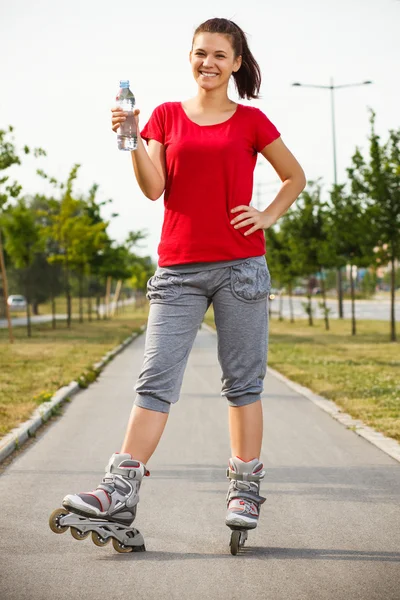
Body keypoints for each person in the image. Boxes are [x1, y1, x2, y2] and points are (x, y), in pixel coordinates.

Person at [62, 17, 306, 540]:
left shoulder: (252, 122)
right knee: (155, 380)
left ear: (236, 62)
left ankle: (244, 489)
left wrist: (265, 216)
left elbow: (295, 176)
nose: (208, 63)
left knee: (242, 384)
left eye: (220, 55)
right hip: (178, 270)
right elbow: (155, 188)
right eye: (200, 53)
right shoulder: (167, 118)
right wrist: (130, 140)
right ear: (189, 57)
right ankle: (118, 489)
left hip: (242, 268)